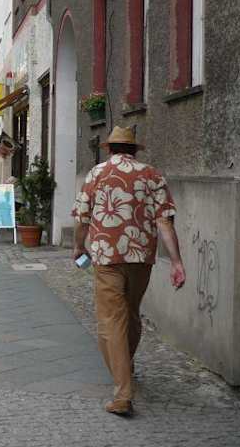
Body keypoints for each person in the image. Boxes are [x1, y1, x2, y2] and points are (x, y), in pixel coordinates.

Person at [72, 126, 186, 417]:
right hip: (141, 257)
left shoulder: (97, 174)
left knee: (111, 320)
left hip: (107, 256)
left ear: (110, 148)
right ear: (134, 149)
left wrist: (78, 247)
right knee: (131, 313)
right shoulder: (152, 175)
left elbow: (82, 218)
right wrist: (176, 262)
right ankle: (127, 365)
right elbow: (165, 223)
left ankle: (123, 394)